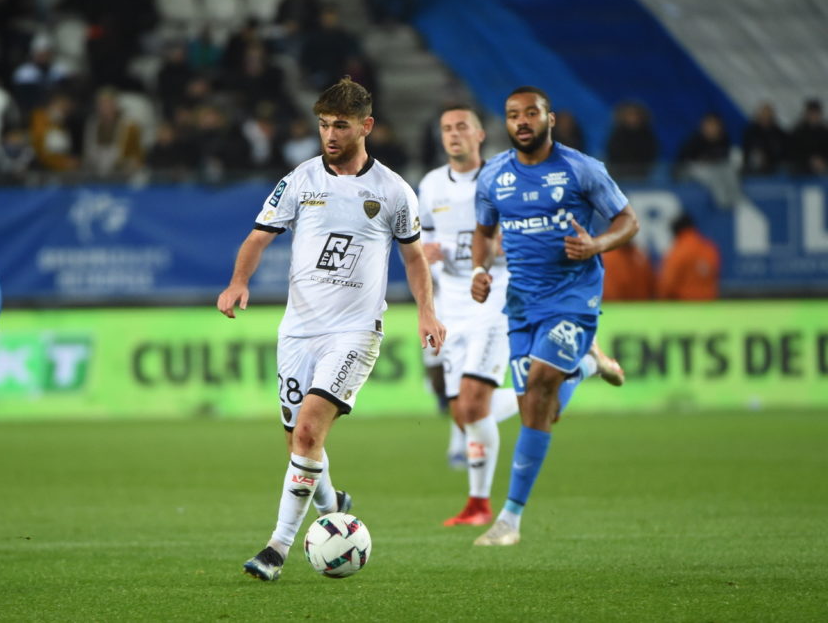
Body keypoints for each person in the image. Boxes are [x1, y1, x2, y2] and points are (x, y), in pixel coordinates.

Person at [217, 77, 446, 581]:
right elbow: (259, 236)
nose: (330, 134)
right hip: (298, 331)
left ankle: (276, 548)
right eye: (323, 125)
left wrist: (426, 311)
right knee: (299, 445)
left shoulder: (392, 190)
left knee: (308, 430)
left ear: (366, 126)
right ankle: (332, 501)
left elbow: (413, 259)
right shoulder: (300, 180)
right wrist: (238, 282)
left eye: (340, 125)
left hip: (355, 331)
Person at [471, 86, 638, 547]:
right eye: (512, 115)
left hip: (573, 298)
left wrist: (596, 245)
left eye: (531, 113)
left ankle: (509, 520)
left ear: (550, 119)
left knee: (543, 381)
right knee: (539, 412)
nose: (521, 121)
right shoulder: (493, 177)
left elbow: (628, 221)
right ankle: (587, 366)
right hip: (522, 305)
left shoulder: (582, 169)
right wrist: (480, 270)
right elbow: (483, 233)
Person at [418, 106, 521, 526]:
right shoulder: (428, 185)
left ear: (480, 135)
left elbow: (524, 236)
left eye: (462, 127)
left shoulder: (502, 179)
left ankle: (481, 504)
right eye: (446, 128)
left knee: (475, 404)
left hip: (495, 300)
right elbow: (422, 238)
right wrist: (426, 255)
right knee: (462, 413)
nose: (453, 134)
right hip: (451, 306)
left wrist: (497, 248)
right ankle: (553, 386)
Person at [656, 213, 720, 301]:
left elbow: (667, 285)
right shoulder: (710, 249)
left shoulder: (677, 251)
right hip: (709, 307)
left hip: (684, 308)